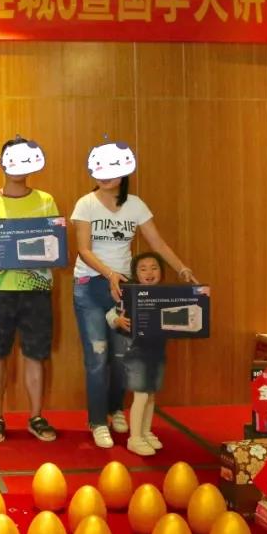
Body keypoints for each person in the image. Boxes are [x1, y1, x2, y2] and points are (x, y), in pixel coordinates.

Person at [71, 140, 196, 449]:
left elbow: (158, 243)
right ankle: (97, 421)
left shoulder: (136, 205)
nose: (104, 176)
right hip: (90, 286)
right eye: (99, 169)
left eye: (111, 170)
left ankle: (115, 409)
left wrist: (182, 269)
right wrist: (109, 273)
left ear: (124, 172)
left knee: (121, 356)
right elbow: (84, 249)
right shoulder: (86, 203)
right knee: (97, 356)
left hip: (126, 290)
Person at [0, 136, 60, 444]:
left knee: (35, 355)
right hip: (0, 290)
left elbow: (54, 243)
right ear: (1, 162)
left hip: (37, 288)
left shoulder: (46, 200)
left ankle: (35, 417)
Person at [108, 252, 169, 456]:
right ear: (135, 273)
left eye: (154, 268)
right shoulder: (129, 294)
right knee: (141, 394)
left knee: (150, 395)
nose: (149, 272)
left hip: (157, 352)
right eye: (143, 269)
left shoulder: (166, 295)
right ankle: (134, 438)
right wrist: (118, 320)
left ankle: (145, 431)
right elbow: (111, 315)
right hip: (136, 353)